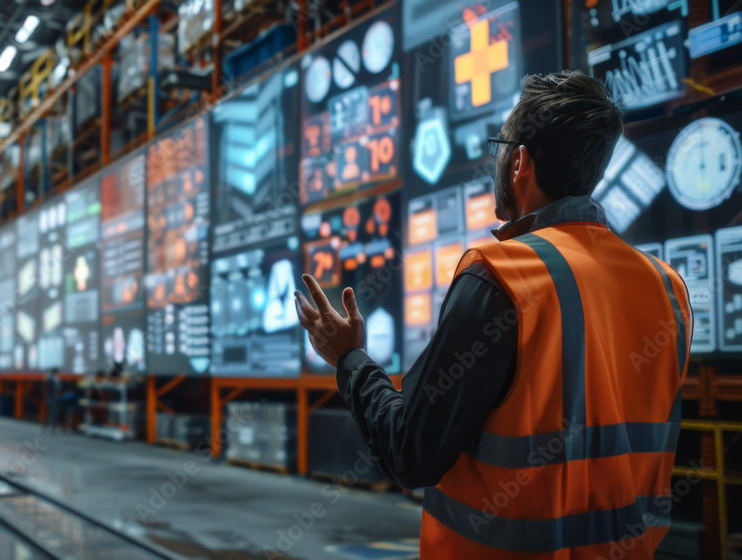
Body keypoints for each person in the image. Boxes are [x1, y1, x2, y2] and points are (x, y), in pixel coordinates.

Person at [295, 71, 692, 559]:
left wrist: (349, 359)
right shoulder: (667, 287)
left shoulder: (503, 276)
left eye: (502, 148)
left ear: (520, 161)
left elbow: (411, 452)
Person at [43, 367, 63, 433]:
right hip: (53, 398)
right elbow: (58, 388)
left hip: (49, 397)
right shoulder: (55, 378)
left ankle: (49, 426)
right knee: (53, 412)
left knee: (51, 412)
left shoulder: (48, 377)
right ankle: (53, 427)